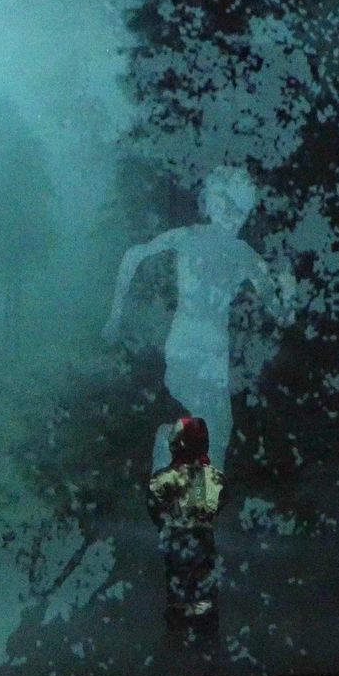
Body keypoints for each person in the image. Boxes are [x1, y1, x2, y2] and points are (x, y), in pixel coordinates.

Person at [102, 165, 294, 473]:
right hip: (191, 346)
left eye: (241, 209)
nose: (233, 216)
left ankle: (179, 475)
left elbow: (281, 314)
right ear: (212, 204)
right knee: (210, 426)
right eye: (227, 205)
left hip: (208, 352)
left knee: (212, 429)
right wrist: (115, 316)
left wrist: (288, 292)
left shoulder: (240, 254)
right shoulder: (199, 241)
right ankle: (172, 465)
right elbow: (134, 255)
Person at [148, 416, 226, 636]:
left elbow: (154, 507)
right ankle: (203, 626)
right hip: (203, 540)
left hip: (175, 539)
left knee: (178, 583)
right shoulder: (213, 478)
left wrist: (167, 524)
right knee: (202, 584)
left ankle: (180, 626)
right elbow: (218, 502)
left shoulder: (163, 479)